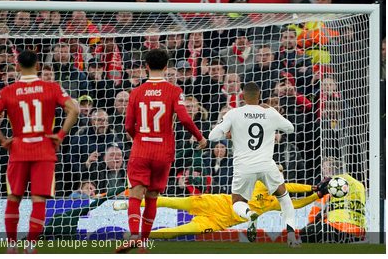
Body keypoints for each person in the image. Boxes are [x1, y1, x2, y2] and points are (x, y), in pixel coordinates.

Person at [116, 48, 207, 253]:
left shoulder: (136, 92)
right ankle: (144, 245)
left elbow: (128, 125)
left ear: (146, 67)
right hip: (163, 152)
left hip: (141, 148)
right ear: (166, 68)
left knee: (135, 194)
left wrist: (136, 137)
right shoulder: (175, 91)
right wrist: (200, 137)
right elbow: (184, 118)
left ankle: (133, 236)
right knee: (152, 197)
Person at [0, 50, 79, 254]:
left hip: (19, 149)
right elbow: (75, 110)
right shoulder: (51, 87)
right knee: (39, 200)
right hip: (44, 149)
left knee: (14, 198)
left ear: (17, 67)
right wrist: (60, 134)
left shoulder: (7, 91)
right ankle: (30, 247)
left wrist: (3, 140)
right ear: (39, 66)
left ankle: (11, 246)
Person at [112, 164, 330, 240]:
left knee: (177, 231)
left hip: (221, 222)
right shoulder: (261, 183)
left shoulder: (274, 201)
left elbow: (297, 203)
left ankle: (139, 237)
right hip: (217, 203)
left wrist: (316, 196)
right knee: (172, 202)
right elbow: (291, 188)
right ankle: (129, 204)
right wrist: (312, 187)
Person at [208, 82, 300, 247]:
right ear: (259, 97)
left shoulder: (234, 113)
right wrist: (272, 112)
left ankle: (250, 214)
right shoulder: (269, 112)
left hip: (243, 167)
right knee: (285, 199)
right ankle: (292, 238)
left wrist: (229, 134)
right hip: (266, 165)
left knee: (237, 202)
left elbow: (213, 136)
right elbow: (290, 128)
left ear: (242, 97)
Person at [300, 157, 366, 243]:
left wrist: (311, 222)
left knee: (306, 232)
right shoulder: (359, 185)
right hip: (359, 231)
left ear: (329, 169)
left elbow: (317, 210)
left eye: (324, 168)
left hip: (337, 227)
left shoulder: (331, 183)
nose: (323, 171)